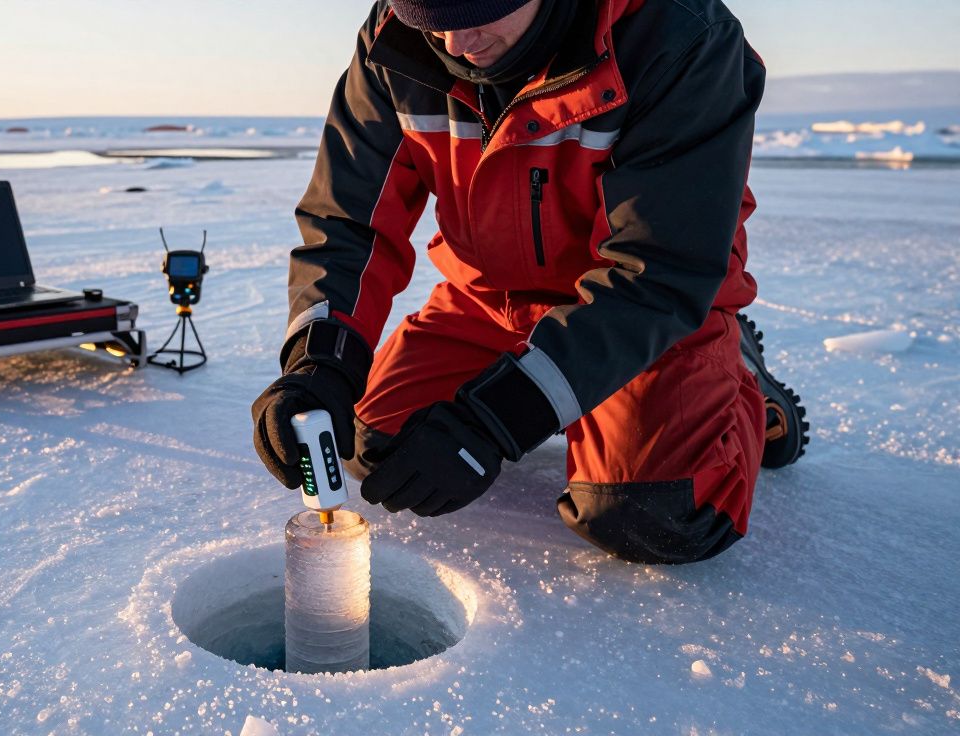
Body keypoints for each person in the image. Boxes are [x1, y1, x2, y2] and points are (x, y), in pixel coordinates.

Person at [251, 0, 808, 565]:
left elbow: (659, 269)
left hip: (643, 314)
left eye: (474, 17)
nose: (452, 46)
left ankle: (740, 389)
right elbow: (349, 223)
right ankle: (572, 397)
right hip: (490, 299)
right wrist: (320, 362)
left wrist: (498, 418)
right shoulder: (396, 39)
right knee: (378, 446)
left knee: (649, 513)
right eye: (432, 23)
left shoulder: (681, 38)